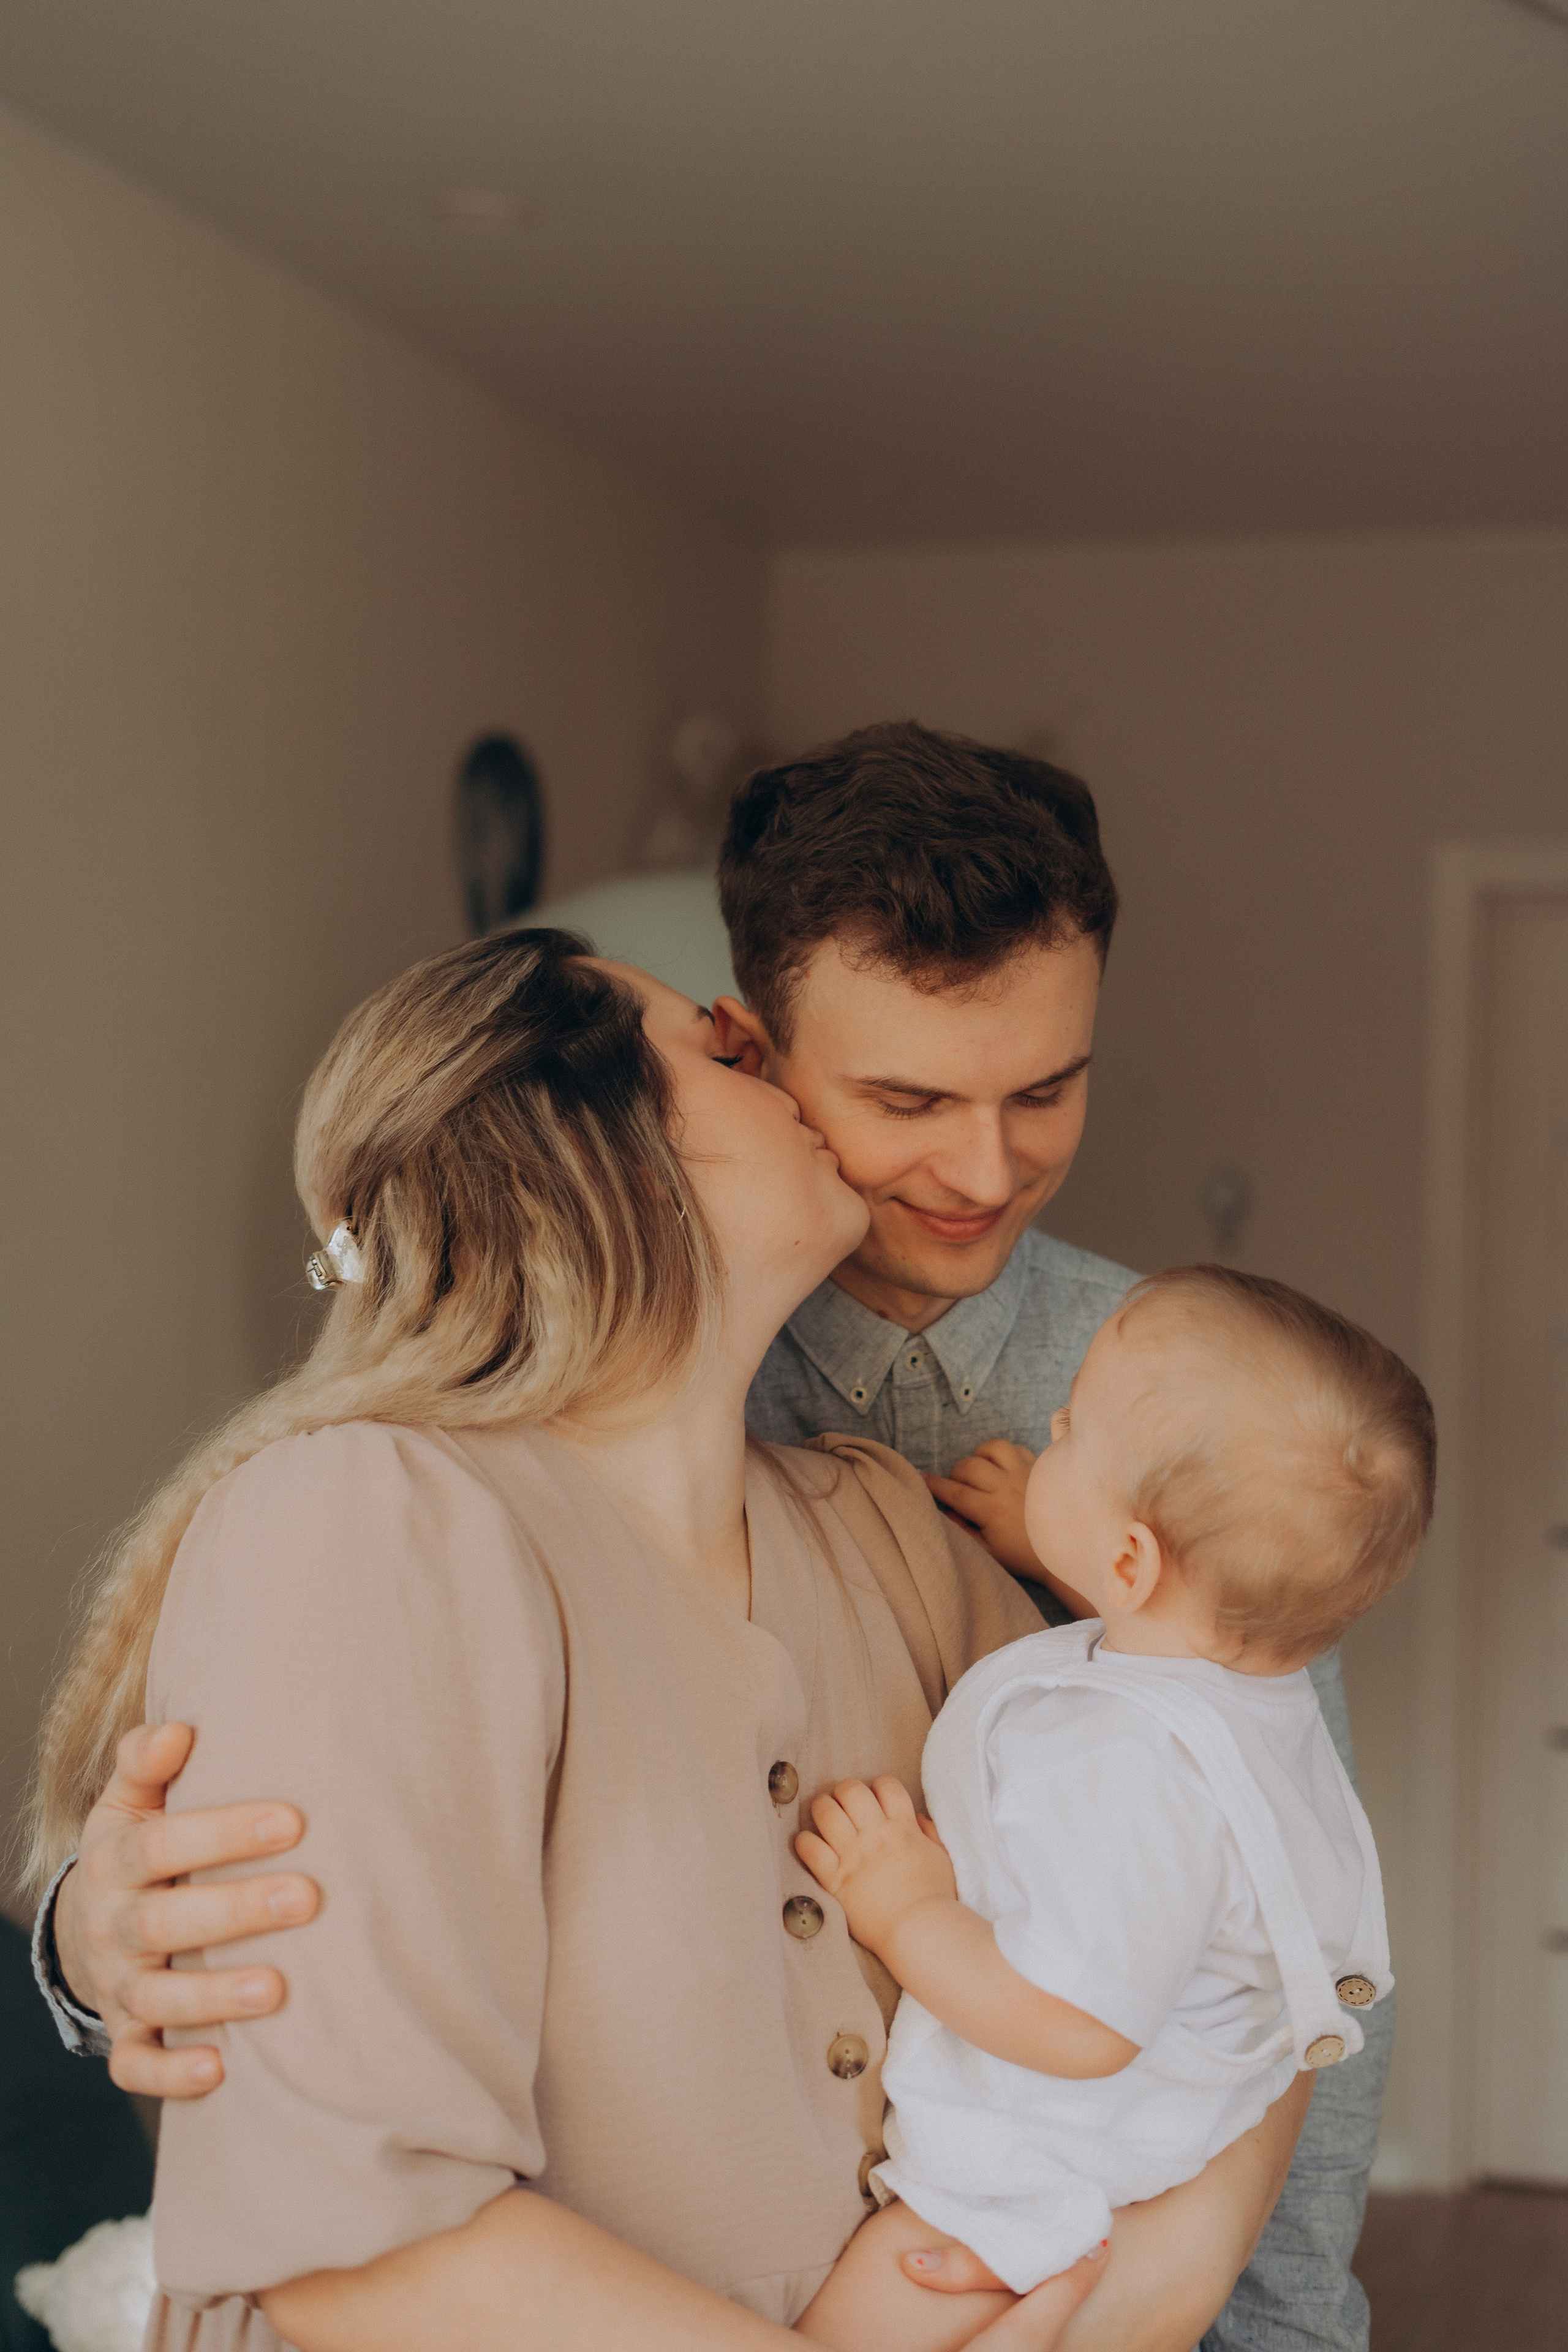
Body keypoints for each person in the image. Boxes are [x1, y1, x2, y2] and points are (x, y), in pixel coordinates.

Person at [36, 723, 1386, 2350]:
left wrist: (1156, 2306)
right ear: (600, 1151)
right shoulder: (376, 1517)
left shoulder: (919, 1510)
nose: (973, 1163)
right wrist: (75, 1926)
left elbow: (1247, 1925)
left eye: (1042, 1090)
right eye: (748, 1065)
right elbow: (355, 2238)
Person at [790, 1267, 1434, 2350]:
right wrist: (1061, 1545)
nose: (1049, 1430)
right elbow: (1178, 1645)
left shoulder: (1120, 1768)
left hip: (1042, 2164)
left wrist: (903, 1906)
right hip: (1176, 2132)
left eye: (1070, 1432)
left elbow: (1078, 2027)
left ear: (1133, 1560)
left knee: (850, 2329)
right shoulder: (1246, 1678)